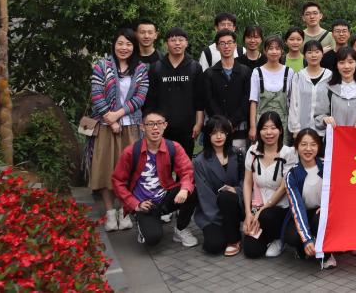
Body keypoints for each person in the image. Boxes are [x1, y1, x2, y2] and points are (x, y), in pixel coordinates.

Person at [90, 28, 149, 232]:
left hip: (131, 126)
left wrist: (118, 115)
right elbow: (96, 94)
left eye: (128, 44)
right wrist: (110, 118)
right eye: (120, 43)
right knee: (106, 170)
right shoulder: (102, 66)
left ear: (134, 47)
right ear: (114, 45)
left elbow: (140, 98)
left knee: (130, 171)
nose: (124, 48)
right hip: (106, 127)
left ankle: (125, 211)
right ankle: (110, 213)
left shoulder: (140, 69)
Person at [111, 110, 198, 248]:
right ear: (142, 127)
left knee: (192, 191)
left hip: (165, 198)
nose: (155, 127)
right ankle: (143, 223)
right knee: (153, 239)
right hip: (144, 204)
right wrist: (134, 204)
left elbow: (187, 171)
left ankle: (180, 229)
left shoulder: (173, 147)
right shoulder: (131, 151)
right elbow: (117, 181)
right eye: (150, 124)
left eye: (159, 123)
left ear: (165, 125)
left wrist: (184, 189)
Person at [144, 27, 205, 159]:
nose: (177, 43)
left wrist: (199, 123)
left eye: (181, 40)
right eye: (173, 40)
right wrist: (150, 123)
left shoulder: (195, 67)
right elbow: (150, 100)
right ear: (167, 43)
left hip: (187, 127)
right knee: (162, 163)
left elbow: (199, 99)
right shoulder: (156, 68)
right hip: (161, 127)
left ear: (186, 43)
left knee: (184, 164)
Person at [242, 111, 296, 259]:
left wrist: (262, 210)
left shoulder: (288, 153)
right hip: (257, 205)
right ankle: (265, 236)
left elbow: (284, 187)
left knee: (267, 216)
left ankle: (279, 238)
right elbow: (247, 182)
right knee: (251, 251)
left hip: (279, 209)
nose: (269, 132)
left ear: (281, 130)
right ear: (259, 131)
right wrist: (249, 213)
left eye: (273, 128)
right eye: (264, 128)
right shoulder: (252, 151)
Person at [193, 115, 246, 256]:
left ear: (228, 134)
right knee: (213, 246)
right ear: (208, 135)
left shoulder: (237, 153)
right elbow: (204, 194)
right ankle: (226, 230)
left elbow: (245, 180)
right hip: (212, 212)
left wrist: (236, 190)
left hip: (235, 205)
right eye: (214, 133)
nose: (218, 136)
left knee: (226, 196)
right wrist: (222, 219)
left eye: (222, 132)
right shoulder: (199, 161)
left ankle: (234, 240)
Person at [284, 129, 334, 269]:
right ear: (296, 147)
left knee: (321, 218)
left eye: (313, 144)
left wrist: (327, 207)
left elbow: (338, 192)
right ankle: (305, 247)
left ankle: (328, 254)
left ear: (319, 147)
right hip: (303, 213)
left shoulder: (328, 166)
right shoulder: (292, 175)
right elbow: (297, 208)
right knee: (292, 236)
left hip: (323, 212)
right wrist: (306, 239)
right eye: (303, 144)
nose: (308, 149)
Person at [313, 46, 356, 133]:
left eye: (350, 62)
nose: (346, 66)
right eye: (341, 63)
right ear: (336, 65)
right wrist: (325, 119)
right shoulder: (327, 89)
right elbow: (317, 117)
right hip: (335, 139)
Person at [203, 29, 251, 149]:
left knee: (239, 157)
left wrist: (233, 122)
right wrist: (223, 122)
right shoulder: (209, 73)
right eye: (222, 43)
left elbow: (246, 99)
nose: (226, 46)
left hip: (240, 128)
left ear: (235, 45)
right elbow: (208, 100)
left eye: (229, 42)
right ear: (217, 47)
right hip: (216, 128)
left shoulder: (245, 71)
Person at [248, 36, 294, 142]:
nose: (274, 52)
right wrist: (253, 127)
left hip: (283, 123)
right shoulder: (257, 72)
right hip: (262, 123)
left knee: (283, 150)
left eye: (277, 48)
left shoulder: (289, 72)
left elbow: (292, 101)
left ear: (282, 51)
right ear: (265, 51)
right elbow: (253, 101)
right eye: (270, 48)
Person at [287, 40, 333, 137]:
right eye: (309, 52)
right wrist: (295, 129)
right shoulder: (298, 76)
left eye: (317, 52)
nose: (313, 55)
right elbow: (294, 104)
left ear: (322, 54)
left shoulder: (330, 76)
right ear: (304, 55)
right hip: (302, 130)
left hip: (324, 130)